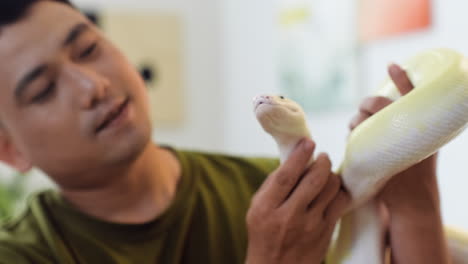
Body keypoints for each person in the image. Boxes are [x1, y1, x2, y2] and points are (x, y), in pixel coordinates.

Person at [0, 0, 449, 263]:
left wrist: (415, 205)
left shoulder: (283, 195)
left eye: (89, 48)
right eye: (43, 90)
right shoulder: (24, 254)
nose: (92, 86)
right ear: (10, 148)